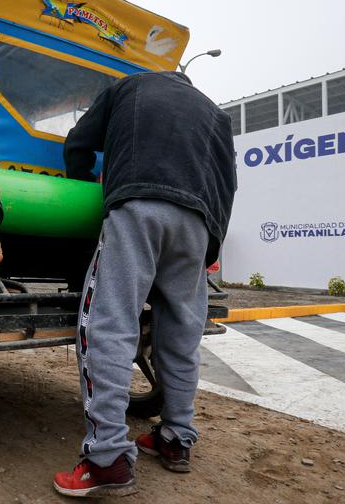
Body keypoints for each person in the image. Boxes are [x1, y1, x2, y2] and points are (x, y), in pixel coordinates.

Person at [52, 71, 236, 498]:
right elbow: (228, 182)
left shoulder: (129, 87)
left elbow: (79, 140)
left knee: (110, 323)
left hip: (139, 206)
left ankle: (106, 459)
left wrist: (78, 183)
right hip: (198, 223)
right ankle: (175, 440)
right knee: (182, 334)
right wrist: (210, 243)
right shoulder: (216, 115)